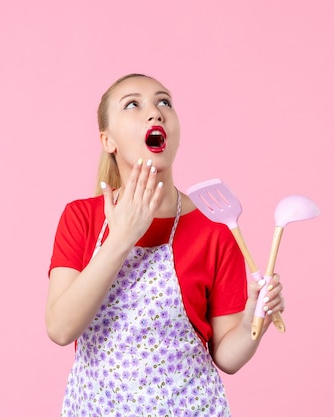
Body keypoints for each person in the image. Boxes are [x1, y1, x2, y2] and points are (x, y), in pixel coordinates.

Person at [46, 73, 285, 416]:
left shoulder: (213, 227)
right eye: (133, 104)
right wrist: (123, 237)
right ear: (108, 140)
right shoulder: (81, 218)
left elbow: (226, 358)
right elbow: (60, 327)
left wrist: (252, 320)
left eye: (164, 102)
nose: (155, 113)